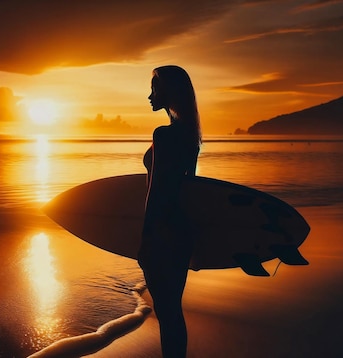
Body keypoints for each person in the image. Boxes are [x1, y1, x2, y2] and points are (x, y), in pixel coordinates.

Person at [138, 65, 202, 358]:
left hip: (163, 232)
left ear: (169, 91)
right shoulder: (191, 134)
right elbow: (190, 189)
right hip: (183, 231)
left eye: (154, 87)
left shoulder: (163, 135)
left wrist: (146, 238)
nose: (150, 94)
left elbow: (158, 191)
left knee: (167, 313)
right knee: (172, 312)